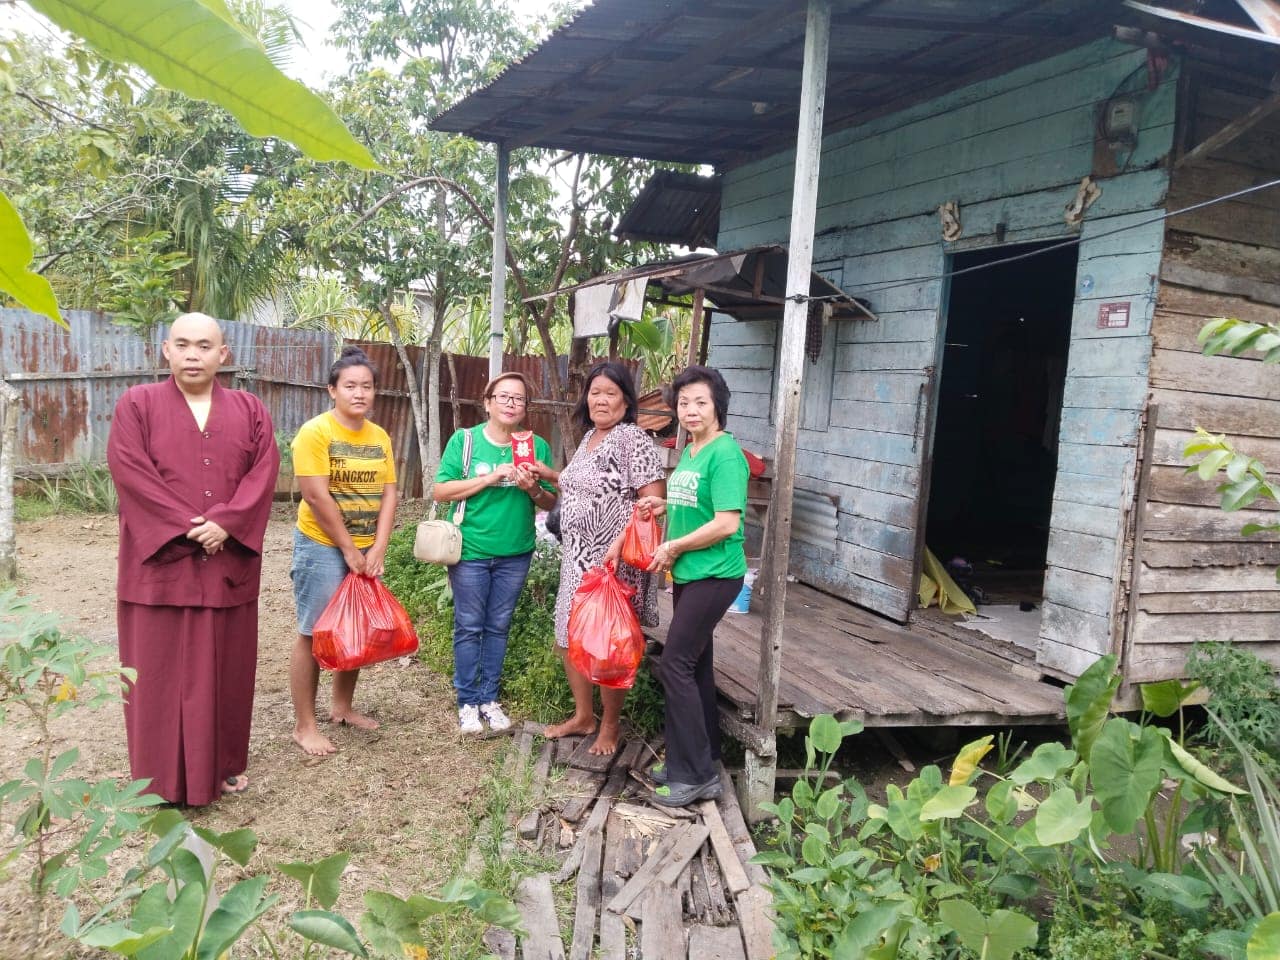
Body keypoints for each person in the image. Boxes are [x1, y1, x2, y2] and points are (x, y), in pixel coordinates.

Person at [107, 312, 279, 805]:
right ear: (166, 350)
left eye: (204, 345)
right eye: (182, 344)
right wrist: (192, 528)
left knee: (224, 670)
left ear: (223, 354)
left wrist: (227, 522)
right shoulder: (137, 405)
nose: (192, 354)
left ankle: (220, 766)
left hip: (226, 565)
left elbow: (263, 473)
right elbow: (130, 471)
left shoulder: (249, 409)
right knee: (156, 671)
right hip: (158, 567)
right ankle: (157, 779)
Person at [537, 362, 665, 756]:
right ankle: (583, 716)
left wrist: (618, 544)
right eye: (595, 392)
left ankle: (609, 726)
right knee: (569, 637)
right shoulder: (591, 435)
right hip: (575, 558)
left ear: (626, 400)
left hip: (612, 561)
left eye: (610, 392)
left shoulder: (632, 439)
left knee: (609, 646)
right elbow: (584, 486)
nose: (600, 399)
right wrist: (549, 474)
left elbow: (653, 503)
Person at [638, 365, 748, 807]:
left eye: (700, 401)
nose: (690, 410)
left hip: (715, 573)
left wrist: (674, 546)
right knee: (696, 667)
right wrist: (661, 503)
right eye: (683, 403)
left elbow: (726, 523)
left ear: (717, 405)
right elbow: (696, 504)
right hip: (690, 572)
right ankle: (700, 758)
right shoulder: (692, 450)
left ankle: (697, 775)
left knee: (674, 666)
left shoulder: (725, 453)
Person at [432, 372, 556, 734]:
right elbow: (441, 491)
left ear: (525, 409)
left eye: (518, 399)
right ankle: (467, 701)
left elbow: (550, 500)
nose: (510, 404)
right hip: (471, 549)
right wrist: (488, 478)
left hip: (515, 552)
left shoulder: (536, 447)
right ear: (488, 402)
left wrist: (533, 488)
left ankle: (490, 698)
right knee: (469, 626)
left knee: (498, 626)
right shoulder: (466, 441)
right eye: (503, 397)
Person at [289, 346, 398, 756]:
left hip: (365, 545)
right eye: (349, 386)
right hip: (321, 544)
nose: (359, 393)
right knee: (314, 631)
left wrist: (379, 547)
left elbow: (390, 493)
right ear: (332, 390)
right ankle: (305, 725)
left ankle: (342, 707)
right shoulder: (315, 432)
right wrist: (351, 550)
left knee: (354, 625)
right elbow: (316, 496)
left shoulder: (380, 436)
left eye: (366, 386)